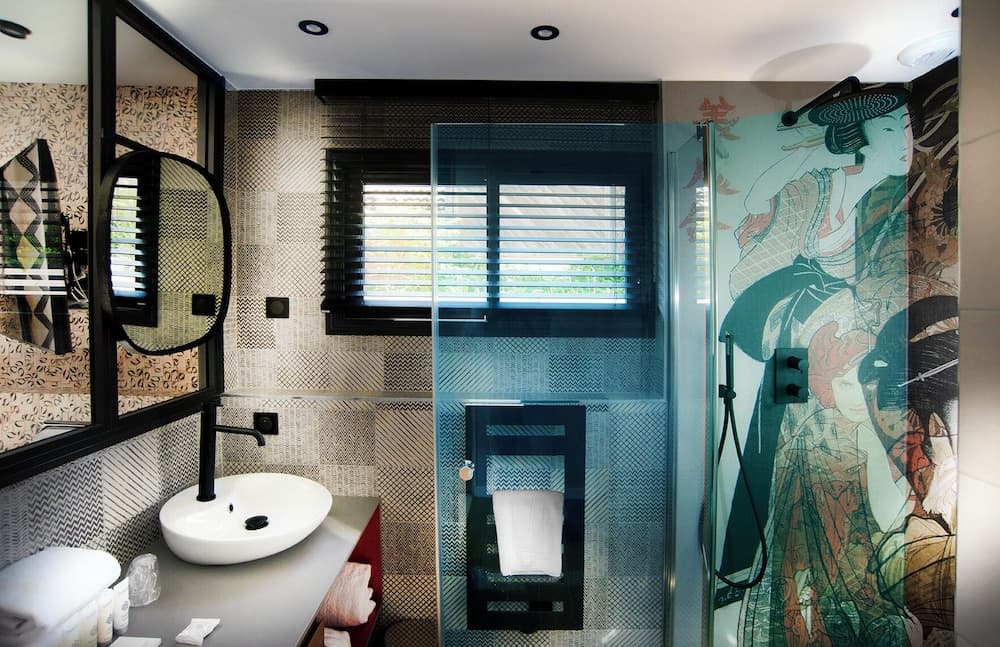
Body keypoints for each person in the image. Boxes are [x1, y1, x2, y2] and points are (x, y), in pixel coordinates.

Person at [718, 98, 912, 585]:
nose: (904, 140)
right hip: (797, 335)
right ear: (862, 133)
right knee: (780, 439)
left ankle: (831, 572)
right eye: (891, 128)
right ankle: (761, 561)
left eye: (907, 127)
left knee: (834, 454)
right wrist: (811, 147)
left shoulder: (897, 196)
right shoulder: (823, 185)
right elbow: (758, 207)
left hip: (852, 341)